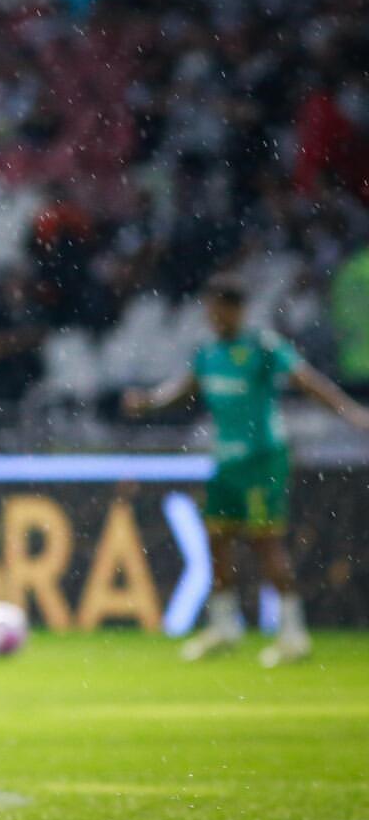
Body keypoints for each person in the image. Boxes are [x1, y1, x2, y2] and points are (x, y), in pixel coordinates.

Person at [124, 274, 369, 667]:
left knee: (264, 542)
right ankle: (224, 626)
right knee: (217, 539)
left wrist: (350, 412)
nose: (213, 317)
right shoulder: (208, 353)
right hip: (226, 461)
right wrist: (148, 403)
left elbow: (308, 382)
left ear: (236, 310)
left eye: (219, 309)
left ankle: (293, 634)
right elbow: (183, 392)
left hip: (262, 459)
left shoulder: (261, 346)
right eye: (209, 309)